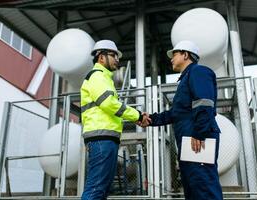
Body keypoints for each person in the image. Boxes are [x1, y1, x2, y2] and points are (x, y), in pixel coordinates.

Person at [141, 40, 223, 200]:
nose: (171, 58)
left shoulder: (198, 72)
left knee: (203, 185)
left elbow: (204, 103)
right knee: (192, 186)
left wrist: (199, 134)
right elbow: (175, 114)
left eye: (175, 54)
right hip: (190, 141)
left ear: (186, 55)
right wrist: (149, 119)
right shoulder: (186, 79)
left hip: (198, 139)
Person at [80, 39, 148, 200]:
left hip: (105, 138)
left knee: (102, 188)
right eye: (114, 55)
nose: (117, 59)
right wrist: (137, 115)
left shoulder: (104, 78)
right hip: (101, 139)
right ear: (101, 57)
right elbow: (109, 104)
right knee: (96, 187)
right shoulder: (97, 76)